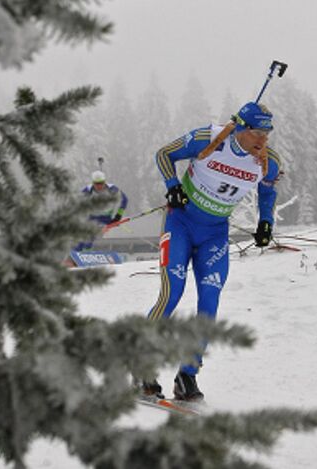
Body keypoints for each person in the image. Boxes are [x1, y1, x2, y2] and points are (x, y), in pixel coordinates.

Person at [143, 101, 282, 401]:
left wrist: (265, 222)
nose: (263, 141)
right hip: (180, 224)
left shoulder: (268, 160)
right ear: (241, 129)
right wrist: (172, 185)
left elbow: (268, 189)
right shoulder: (210, 139)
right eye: (258, 133)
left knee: (210, 300)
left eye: (268, 134)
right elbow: (164, 154)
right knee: (172, 293)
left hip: (215, 235)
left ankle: (187, 375)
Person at [73, 170, 129, 252]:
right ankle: (75, 255)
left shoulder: (112, 189)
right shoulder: (88, 190)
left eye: (101, 183)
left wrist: (118, 216)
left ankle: (85, 252)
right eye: (96, 183)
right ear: (93, 183)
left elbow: (124, 200)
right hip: (92, 218)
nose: (99, 186)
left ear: (104, 182)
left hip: (106, 219)